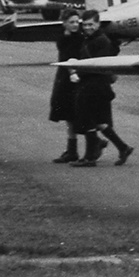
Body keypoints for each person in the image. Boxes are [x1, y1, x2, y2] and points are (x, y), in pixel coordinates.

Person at [70, 10, 133, 167]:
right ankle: (123, 148)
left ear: (98, 24)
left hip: (94, 86)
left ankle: (90, 158)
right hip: (96, 85)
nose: (87, 27)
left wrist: (77, 72)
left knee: (88, 120)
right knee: (99, 121)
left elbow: (98, 65)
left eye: (91, 24)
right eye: (84, 25)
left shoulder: (100, 41)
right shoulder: (93, 39)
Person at [49, 10, 86, 163]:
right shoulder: (62, 37)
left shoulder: (79, 38)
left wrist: (73, 72)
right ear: (64, 23)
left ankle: (89, 143)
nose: (75, 25)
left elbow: (72, 57)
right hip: (64, 76)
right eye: (71, 22)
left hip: (74, 76)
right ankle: (73, 150)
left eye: (77, 22)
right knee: (67, 114)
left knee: (74, 112)